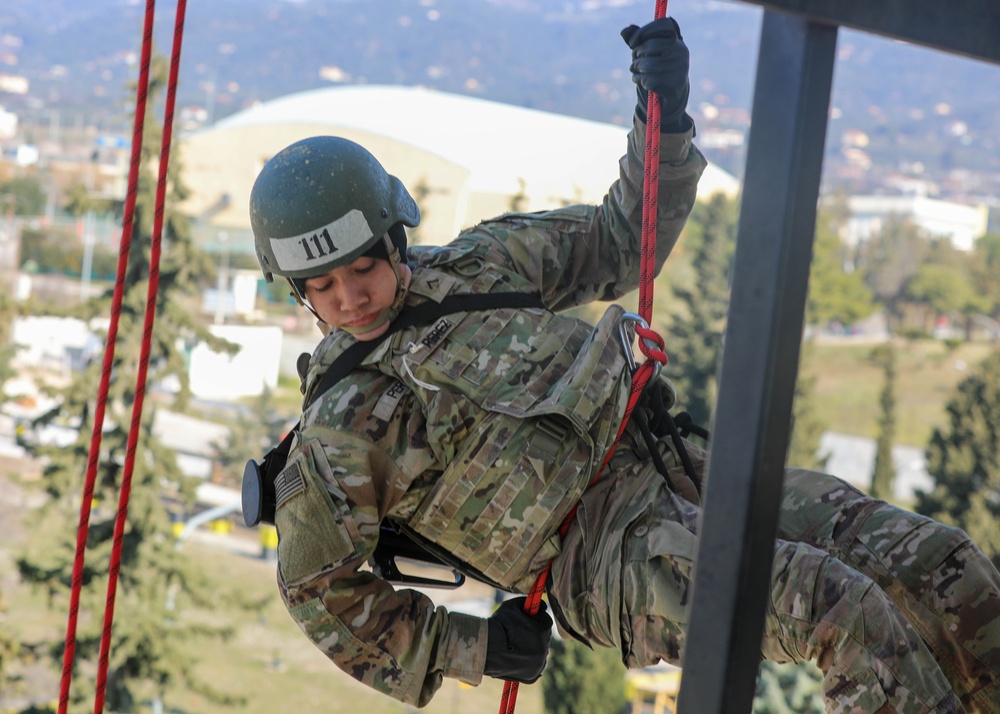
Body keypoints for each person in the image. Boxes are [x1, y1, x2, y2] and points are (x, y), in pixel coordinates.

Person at [246, 17, 1000, 713]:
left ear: (394, 238)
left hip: (671, 463)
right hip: (601, 557)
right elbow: (318, 588)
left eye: (363, 268)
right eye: (322, 287)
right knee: (839, 609)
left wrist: (660, 120)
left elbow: (620, 239)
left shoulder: (481, 267)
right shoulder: (341, 427)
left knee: (940, 565)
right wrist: (468, 648)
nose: (349, 297)